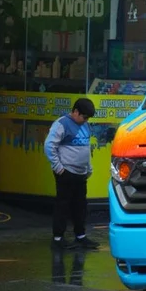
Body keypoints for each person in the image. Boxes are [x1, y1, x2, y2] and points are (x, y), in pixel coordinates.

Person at [45, 98, 99, 250]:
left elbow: (85, 148)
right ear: (75, 112)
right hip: (66, 172)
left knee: (80, 205)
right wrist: (59, 168)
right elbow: (49, 145)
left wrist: (88, 168)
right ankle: (58, 238)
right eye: (84, 117)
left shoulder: (85, 125)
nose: (86, 120)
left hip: (81, 173)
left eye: (88, 118)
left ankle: (80, 236)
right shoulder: (62, 124)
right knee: (63, 205)